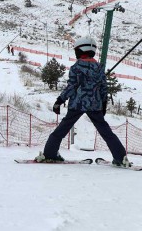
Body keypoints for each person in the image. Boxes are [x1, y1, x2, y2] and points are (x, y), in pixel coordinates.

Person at [36, 37, 129, 167]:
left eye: (76, 50)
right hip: (95, 105)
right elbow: (103, 88)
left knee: (62, 129)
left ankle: (50, 153)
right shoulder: (99, 68)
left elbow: (71, 86)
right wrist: (103, 104)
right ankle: (120, 157)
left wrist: (60, 100)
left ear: (81, 50)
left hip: (77, 104)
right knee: (106, 131)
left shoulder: (76, 67)